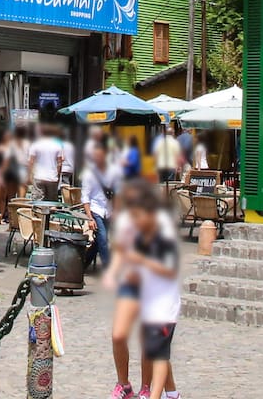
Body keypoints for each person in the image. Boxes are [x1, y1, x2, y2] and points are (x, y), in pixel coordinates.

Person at [104, 180, 182, 399]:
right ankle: (156, 390)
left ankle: (152, 392)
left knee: (156, 347)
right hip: (140, 290)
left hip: (159, 297)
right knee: (137, 340)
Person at [80, 139, 121, 269]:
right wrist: (89, 217)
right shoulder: (88, 174)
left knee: (99, 241)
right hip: (95, 209)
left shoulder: (113, 171)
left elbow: (118, 191)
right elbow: (85, 197)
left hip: (107, 210)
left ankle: (82, 264)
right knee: (103, 239)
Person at [28, 124, 67, 202]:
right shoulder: (57, 145)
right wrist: (58, 176)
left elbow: (31, 161)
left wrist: (30, 176)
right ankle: (51, 214)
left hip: (38, 176)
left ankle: (40, 214)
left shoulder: (35, 144)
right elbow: (60, 163)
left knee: (38, 202)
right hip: (52, 177)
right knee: (52, 202)